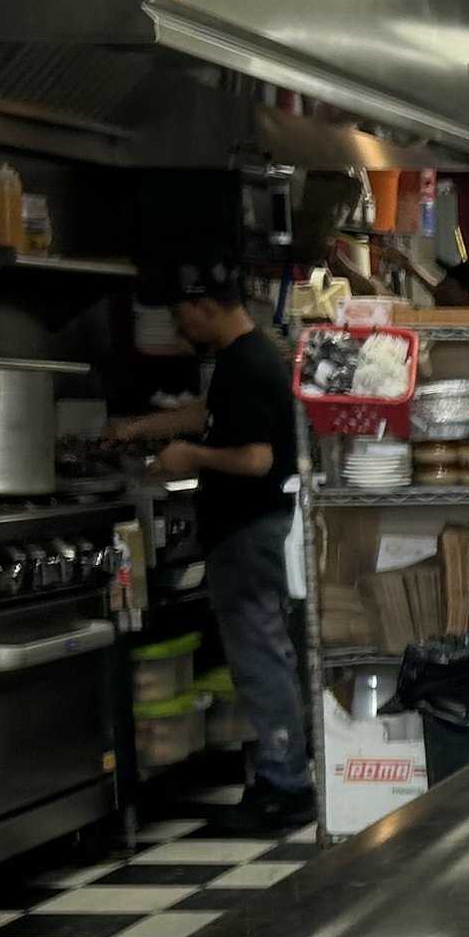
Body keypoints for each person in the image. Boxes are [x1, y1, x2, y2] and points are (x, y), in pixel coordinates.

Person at [108, 261, 311, 830]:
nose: (178, 329)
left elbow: (257, 458)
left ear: (205, 306)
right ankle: (282, 776)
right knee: (265, 655)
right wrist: (142, 429)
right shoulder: (245, 359)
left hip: (250, 532)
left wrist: (187, 458)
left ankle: (285, 785)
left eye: (179, 316)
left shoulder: (245, 363)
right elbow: (211, 414)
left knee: (260, 658)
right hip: (254, 531)